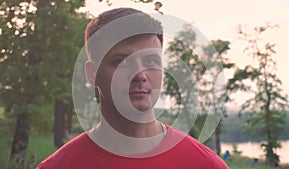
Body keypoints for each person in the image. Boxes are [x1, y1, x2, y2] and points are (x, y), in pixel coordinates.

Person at [37, 8, 229, 169]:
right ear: (92, 73)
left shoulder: (204, 165)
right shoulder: (59, 166)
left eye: (151, 61)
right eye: (121, 61)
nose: (140, 74)